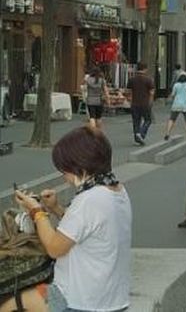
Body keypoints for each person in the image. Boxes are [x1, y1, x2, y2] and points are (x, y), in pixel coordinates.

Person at [10, 126, 132, 312]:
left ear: (79, 166)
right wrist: (56, 209)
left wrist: (37, 211)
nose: (63, 174)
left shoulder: (88, 200)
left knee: (9, 302)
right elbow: (88, 228)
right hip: (111, 298)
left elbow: (54, 248)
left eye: (64, 169)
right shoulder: (116, 190)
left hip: (79, 301)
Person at [125, 62, 155, 146]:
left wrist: (129, 101)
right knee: (148, 120)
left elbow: (128, 92)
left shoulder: (132, 79)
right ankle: (141, 134)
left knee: (136, 121)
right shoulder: (149, 80)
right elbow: (152, 92)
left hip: (134, 103)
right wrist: (150, 102)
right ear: (145, 69)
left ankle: (137, 135)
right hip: (145, 103)